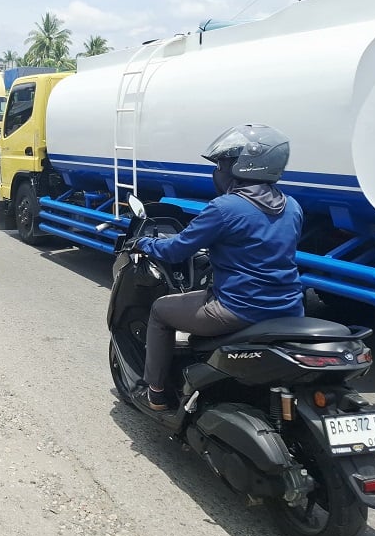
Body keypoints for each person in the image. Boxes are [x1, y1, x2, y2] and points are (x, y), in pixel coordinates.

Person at [130, 124, 304, 412]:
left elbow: (176, 250)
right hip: (289, 309)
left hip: (237, 310)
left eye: (223, 163)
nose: (218, 171)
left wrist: (145, 244)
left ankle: (157, 393)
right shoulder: (293, 206)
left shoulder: (225, 207)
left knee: (160, 310)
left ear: (243, 167)